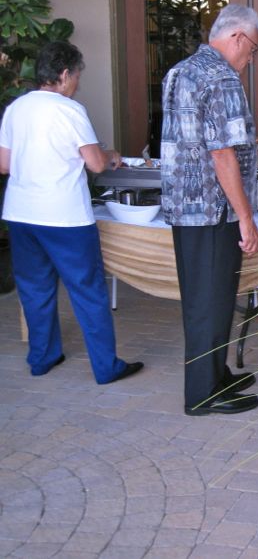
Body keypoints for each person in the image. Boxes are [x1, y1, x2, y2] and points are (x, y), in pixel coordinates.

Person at [0, 41, 144, 384]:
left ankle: (42, 358)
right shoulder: (69, 110)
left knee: (35, 289)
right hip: (64, 217)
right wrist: (110, 154)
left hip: (22, 214)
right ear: (64, 74)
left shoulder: (15, 109)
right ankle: (106, 367)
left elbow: (4, 165)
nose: (77, 82)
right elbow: (95, 164)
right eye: (77, 75)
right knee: (87, 290)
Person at [160, 4, 258, 416]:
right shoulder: (221, 77)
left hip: (185, 207)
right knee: (212, 301)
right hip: (213, 209)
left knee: (204, 300)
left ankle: (214, 375)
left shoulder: (179, 71)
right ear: (237, 37)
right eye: (253, 49)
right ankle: (202, 394)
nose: (251, 59)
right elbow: (222, 154)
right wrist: (246, 216)